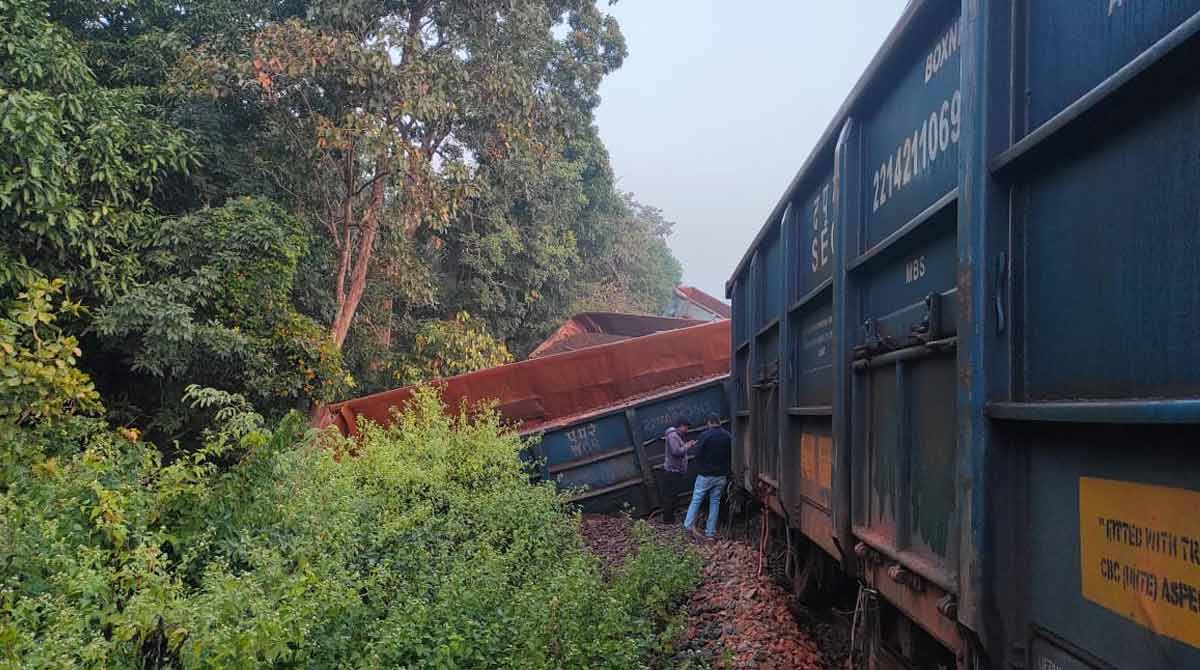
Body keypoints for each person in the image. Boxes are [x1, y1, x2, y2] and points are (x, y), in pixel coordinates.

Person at [683, 412, 731, 541]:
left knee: (696, 499)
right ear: (719, 421)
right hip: (721, 476)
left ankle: (688, 526)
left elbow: (697, 454)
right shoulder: (728, 436)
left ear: (709, 422)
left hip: (705, 475)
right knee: (715, 502)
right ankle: (710, 533)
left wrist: (700, 467)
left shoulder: (705, 435)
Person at [659, 418, 694, 524]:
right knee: (670, 496)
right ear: (681, 426)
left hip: (674, 471)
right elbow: (676, 452)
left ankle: (669, 518)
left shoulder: (674, 436)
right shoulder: (673, 436)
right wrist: (688, 446)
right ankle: (668, 520)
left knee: (672, 496)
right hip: (672, 472)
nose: (687, 430)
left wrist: (686, 445)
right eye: (686, 427)